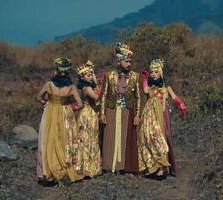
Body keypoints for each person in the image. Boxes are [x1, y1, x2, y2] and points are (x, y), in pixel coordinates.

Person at [36, 57, 83, 184]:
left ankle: (50, 170)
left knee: (49, 140)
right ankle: (65, 169)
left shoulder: (49, 85)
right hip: (65, 113)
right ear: (68, 72)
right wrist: (70, 108)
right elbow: (80, 104)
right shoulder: (71, 88)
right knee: (65, 140)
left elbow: (38, 97)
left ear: (56, 70)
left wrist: (45, 103)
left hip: (50, 112)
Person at [138, 58, 188, 177]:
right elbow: (145, 90)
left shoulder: (166, 87)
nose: (153, 74)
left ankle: (163, 167)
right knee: (148, 137)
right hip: (149, 115)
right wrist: (144, 79)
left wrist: (182, 106)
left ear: (161, 72)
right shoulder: (150, 86)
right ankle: (151, 166)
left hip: (162, 113)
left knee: (162, 137)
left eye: (156, 72)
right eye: (152, 72)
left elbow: (174, 97)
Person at [99, 42, 142, 173]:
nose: (129, 64)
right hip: (112, 109)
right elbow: (104, 95)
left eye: (130, 61)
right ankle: (109, 165)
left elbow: (139, 97)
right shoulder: (109, 75)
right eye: (126, 61)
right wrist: (102, 113)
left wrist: (138, 114)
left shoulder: (135, 76)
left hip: (127, 110)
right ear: (119, 61)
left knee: (125, 137)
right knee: (110, 137)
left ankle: (124, 165)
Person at [74, 60, 102, 179]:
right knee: (88, 140)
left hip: (89, 113)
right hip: (88, 114)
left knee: (88, 139)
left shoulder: (86, 87)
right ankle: (87, 168)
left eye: (91, 75)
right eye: (88, 75)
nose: (91, 77)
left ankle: (87, 167)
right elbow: (96, 98)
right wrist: (104, 89)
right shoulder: (87, 88)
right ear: (82, 77)